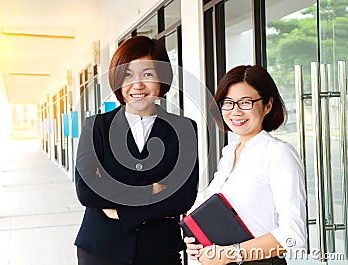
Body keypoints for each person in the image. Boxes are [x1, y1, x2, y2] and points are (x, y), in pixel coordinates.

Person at [74, 36, 199, 265]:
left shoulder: (185, 129)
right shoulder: (96, 127)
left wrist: (122, 211)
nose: (137, 85)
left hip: (159, 250)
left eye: (148, 74)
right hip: (101, 249)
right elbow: (86, 191)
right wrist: (152, 189)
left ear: (162, 78)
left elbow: (183, 196)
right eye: (128, 75)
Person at [185, 65, 306, 265]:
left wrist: (227, 254)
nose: (236, 111)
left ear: (268, 105)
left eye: (246, 102)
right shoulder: (229, 154)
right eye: (228, 103)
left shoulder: (278, 153)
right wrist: (198, 243)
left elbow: (293, 236)